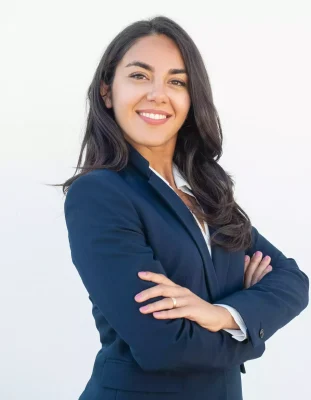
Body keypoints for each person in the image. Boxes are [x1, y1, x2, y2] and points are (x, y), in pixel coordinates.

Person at [61, 16, 309, 400]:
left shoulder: (208, 191)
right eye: (140, 76)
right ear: (108, 92)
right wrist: (250, 321)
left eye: (176, 82)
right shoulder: (100, 195)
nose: (158, 94)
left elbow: (292, 280)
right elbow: (164, 346)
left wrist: (219, 315)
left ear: (191, 99)